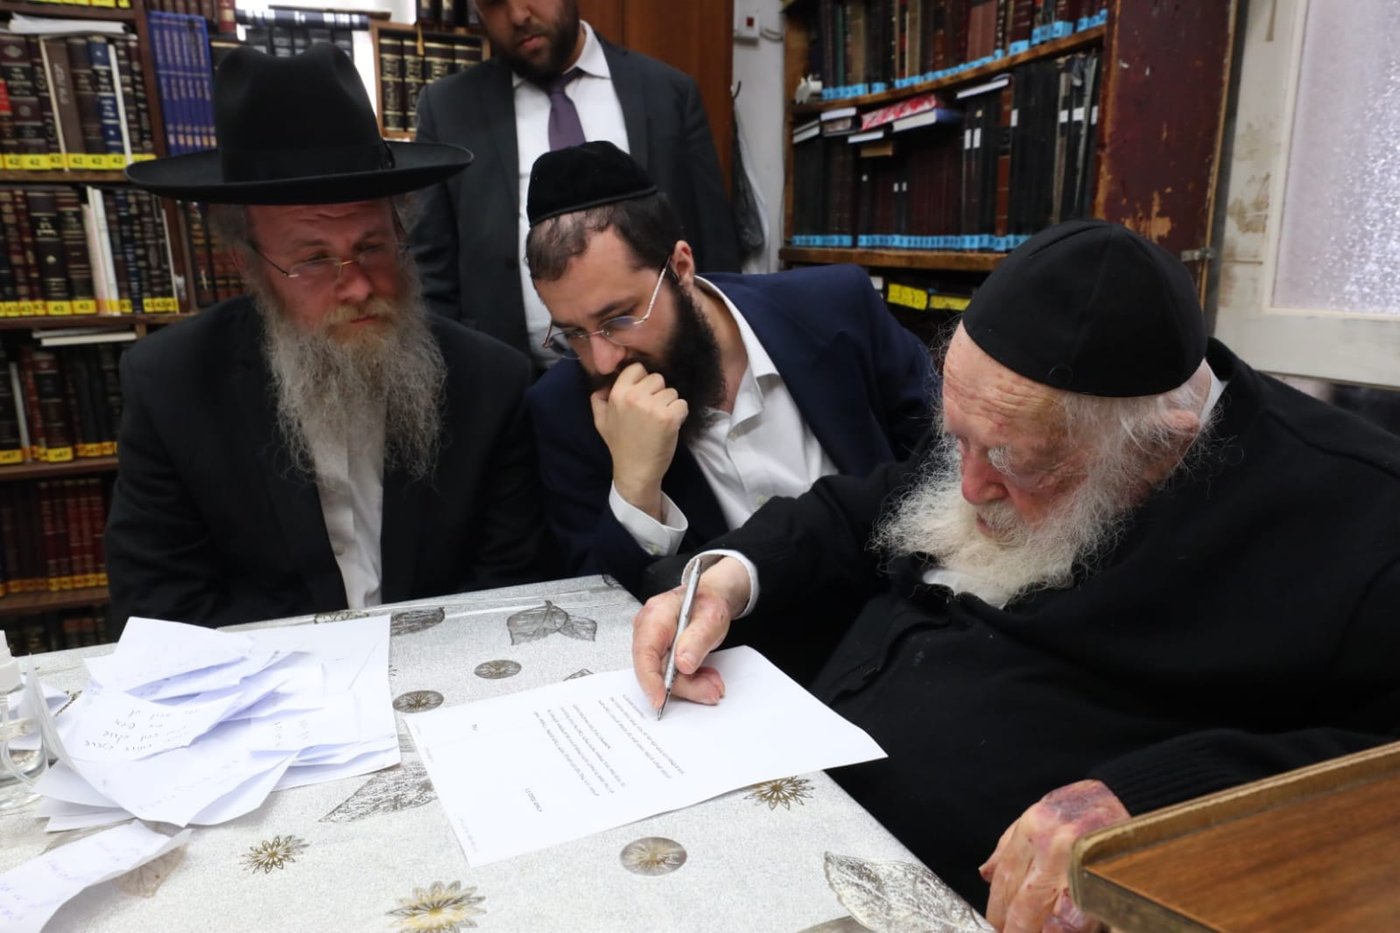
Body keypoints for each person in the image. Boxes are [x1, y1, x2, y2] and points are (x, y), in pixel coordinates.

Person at [630, 220, 1400, 930]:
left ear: (1157, 447)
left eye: (1010, 462)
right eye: (958, 439)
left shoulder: (1362, 523)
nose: (968, 487)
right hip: (786, 803)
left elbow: (1374, 771)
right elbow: (862, 505)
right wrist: (725, 579)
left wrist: (1155, 801)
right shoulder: (1004, 423)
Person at [110, 44, 550, 632]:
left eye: (372, 246)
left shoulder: (489, 381)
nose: (358, 286)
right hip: (270, 683)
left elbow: (511, 589)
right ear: (247, 263)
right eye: (314, 260)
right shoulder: (172, 386)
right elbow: (162, 612)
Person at [523, 142, 936, 611]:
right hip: (728, 651)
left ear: (680, 268)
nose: (601, 360)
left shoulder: (836, 307)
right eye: (574, 333)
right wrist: (635, 490)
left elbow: (944, 460)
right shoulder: (565, 408)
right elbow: (591, 611)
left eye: (619, 318)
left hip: (895, 617)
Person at [410, 0, 740, 369]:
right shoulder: (448, 109)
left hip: (662, 372)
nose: (518, 16)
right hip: (510, 381)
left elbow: (715, 249)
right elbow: (430, 277)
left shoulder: (668, 93)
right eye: (494, 3)